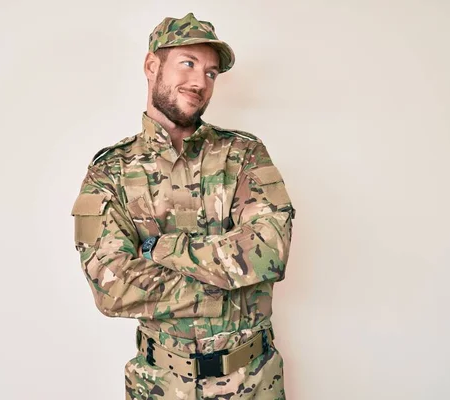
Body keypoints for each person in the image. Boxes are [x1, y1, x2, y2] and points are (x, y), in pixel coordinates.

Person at [70, 12, 295, 400]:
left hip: (253, 382)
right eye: (188, 64)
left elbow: (269, 253)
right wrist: (228, 289)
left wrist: (162, 249)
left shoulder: (244, 154)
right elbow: (112, 287)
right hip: (159, 386)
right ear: (151, 65)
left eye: (210, 73)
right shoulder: (110, 170)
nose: (199, 82)